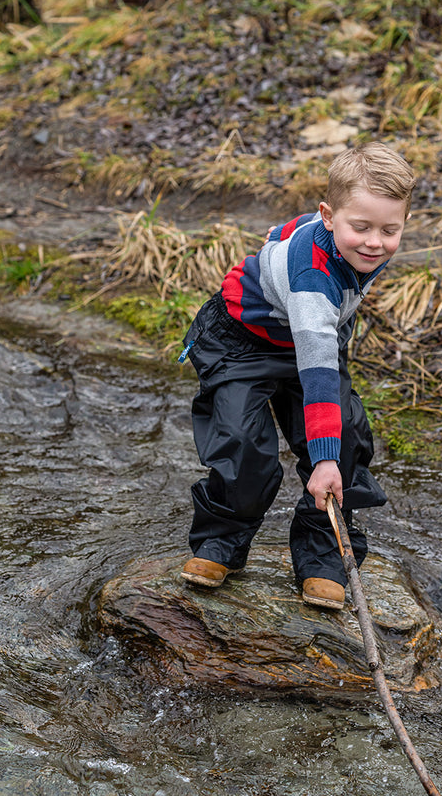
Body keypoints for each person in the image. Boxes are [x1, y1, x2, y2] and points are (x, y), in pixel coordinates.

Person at [178, 142, 416, 611]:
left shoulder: (349, 236)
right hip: (240, 340)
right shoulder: (311, 279)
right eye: (362, 228)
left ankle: (323, 557)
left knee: (345, 436)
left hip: (310, 336)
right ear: (329, 217)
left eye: (390, 230)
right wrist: (322, 458)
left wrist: (277, 238)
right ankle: (221, 542)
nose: (375, 243)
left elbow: (295, 230)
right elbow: (318, 369)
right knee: (243, 442)